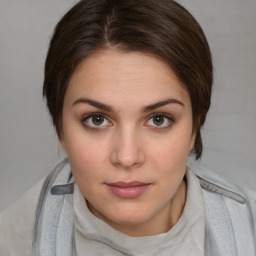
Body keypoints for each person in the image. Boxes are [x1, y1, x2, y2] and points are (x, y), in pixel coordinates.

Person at [0, 0, 255, 255]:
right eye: (97, 119)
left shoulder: (249, 228)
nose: (127, 157)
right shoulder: (16, 239)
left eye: (158, 119)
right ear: (61, 130)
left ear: (194, 127)